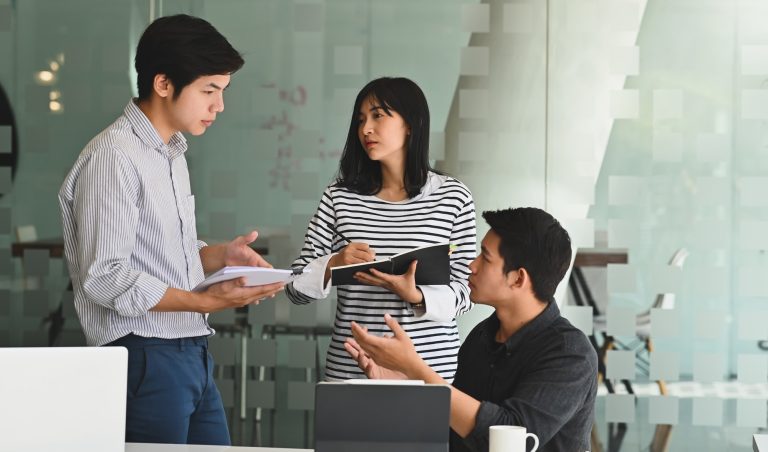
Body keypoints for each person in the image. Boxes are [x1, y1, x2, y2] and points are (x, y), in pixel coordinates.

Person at [58, 14, 284, 445]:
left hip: (189, 351)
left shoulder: (171, 153)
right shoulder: (114, 157)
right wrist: (205, 300)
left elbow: (157, 256)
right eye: (209, 91)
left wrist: (220, 257)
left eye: (222, 91)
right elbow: (106, 277)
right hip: (143, 354)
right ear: (163, 84)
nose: (219, 106)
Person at [345, 208, 598, 452]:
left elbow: (510, 439)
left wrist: (415, 368)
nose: (471, 266)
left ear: (518, 279)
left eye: (485, 257)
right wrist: (407, 383)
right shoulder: (482, 336)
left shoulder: (571, 354)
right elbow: (456, 427)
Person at [285, 77, 476, 381]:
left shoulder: (453, 197)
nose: (365, 129)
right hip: (352, 369)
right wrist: (333, 263)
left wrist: (417, 296)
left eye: (378, 116)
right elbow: (295, 287)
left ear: (410, 124)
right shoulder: (339, 196)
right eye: (361, 120)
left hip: (431, 373)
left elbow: (466, 290)